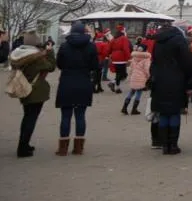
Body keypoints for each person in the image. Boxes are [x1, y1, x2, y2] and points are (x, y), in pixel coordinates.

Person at [150, 23, 192, 155]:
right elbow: (187, 63)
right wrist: (190, 80)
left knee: (163, 112)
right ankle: (173, 145)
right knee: (175, 112)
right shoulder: (179, 40)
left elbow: (154, 61)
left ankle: (164, 145)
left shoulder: (157, 42)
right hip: (177, 80)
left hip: (160, 81)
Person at [9, 32, 56, 158]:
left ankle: (24, 144)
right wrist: (50, 52)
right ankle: (23, 148)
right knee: (31, 119)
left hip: (24, 87)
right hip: (35, 90)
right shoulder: (36, 57)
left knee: (27, 117)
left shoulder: (18, 54)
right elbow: (51, 67)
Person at [54, 22, 99, 156]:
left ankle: (63, 148)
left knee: (65, 116)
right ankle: (78, 148)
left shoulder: (64, 46)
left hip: (67, 81)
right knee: (80, 116)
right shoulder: (91, 46)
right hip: (84, 81)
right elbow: (95, 65)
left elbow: (60, 64)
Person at [122, 44, 151, 115]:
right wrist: (149, 77)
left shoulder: (134, 58)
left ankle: (124, 107)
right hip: (141, 78)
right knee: (139, 93)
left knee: (131, 92)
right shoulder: (146, 59)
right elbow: (147, 70)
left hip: (134, 76)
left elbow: (131, 68)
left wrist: (131, 75)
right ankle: (134, 109)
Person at [108, 26, 131, 93]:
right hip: (121, 57)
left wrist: (109, 55)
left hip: (115, 57)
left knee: (118, 73)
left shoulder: (113, 39)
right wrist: (129, 57)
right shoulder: (124, 38)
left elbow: (109, 48)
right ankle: (112, 83)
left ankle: (118, 88)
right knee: (123, 74)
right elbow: (126, 49)